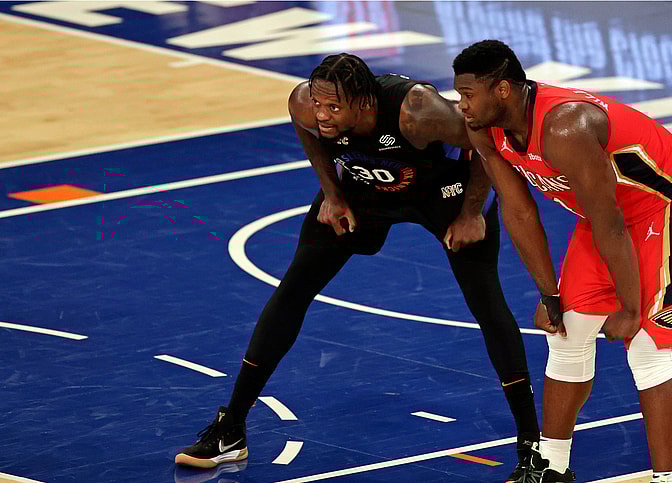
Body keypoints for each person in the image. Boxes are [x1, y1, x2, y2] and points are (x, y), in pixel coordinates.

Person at [174, 53, 542, 483]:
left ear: (365, 104)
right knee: (293, 289)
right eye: (319, 105)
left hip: (444, 195)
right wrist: (331, 193)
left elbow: (485, 141)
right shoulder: (304, 105)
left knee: (486, 303)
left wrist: (472, 212)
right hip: (364, 189)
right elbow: (308, 130)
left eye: (334, 108)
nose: (323, 116)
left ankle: (532, 444)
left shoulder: (417, 111)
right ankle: (231, 427)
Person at [452, 40, 672, 483]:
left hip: (668, 204)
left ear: (502, 90)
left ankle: (666, 480)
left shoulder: (565, 127)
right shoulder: (485, 128)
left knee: (648, 347)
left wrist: (631, 308)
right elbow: (519, 211)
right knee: (566, 334)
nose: (461, 105)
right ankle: (552, 470)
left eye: (467, 94)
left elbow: (610, 221)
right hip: (602, 214)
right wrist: (548, 292)